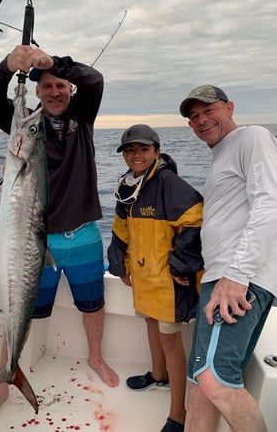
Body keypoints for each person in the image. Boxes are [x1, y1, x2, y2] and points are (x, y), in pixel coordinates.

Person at [0, 45, 119, 405]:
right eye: (47, 87)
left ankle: (95, 356)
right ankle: (10, 369)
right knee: (23, 306)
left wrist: (52, 64)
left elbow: (95, 80)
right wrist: (6, 67)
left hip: (84, 234)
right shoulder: (25, 124)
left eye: (61, 86)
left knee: (93, 303)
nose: (55, 92)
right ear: (37, 92)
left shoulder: (83, 116)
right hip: (34, 241)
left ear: (70, 89)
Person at [179, 85, 277, 432]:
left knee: (215, 378)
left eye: (208, 110)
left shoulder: (251, 137)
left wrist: (237, 274)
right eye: (193, 116)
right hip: (220, 277)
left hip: (237, 279)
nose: (201, 120)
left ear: (230, 107)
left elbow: (269, 202)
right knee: (199, 381)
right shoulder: (222, 153)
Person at [107, 124, 204, 432]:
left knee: (170, 340)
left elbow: (196, 222)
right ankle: (158, 375)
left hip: (167, 283)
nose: (137, 155)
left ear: (157, 152)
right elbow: (120, 229)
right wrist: (120, 264)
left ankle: (178, 413)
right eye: (130, 150)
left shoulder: (169, 183)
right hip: (143, 277)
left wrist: (179, 267)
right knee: (149, 322)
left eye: (144, 149)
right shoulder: (128, 186)